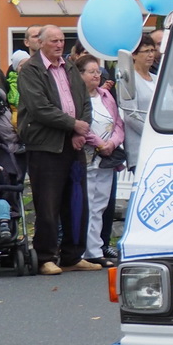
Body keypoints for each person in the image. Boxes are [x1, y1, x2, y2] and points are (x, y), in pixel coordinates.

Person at [18, 25, 97, 274]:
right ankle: (45, 256)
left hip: (72, 144)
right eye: (53, 40)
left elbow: (84, 101)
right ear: (40, 43)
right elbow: (40, 108)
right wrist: (72, 125)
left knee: (76, 201)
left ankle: (73, 255)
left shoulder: (70, 66)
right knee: (48, 203)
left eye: (62, 40)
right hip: (45, 145)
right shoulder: (30, 70)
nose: (59, 44)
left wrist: (78, 131)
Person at [74, 53, 125, 265]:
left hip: (107, 158)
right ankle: (86, 251)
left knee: (101, 204)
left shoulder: (105, 95)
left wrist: (112, 143)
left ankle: (95, 250)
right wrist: (98, 143)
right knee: (87, 202)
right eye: (91, 71)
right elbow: (80, 124)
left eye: (98, 71)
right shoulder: (76, 96)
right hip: (87, 156)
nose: (96, 75)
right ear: (80, 74)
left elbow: (118, 123)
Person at [116, 33, 160, 171]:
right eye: (146, 51)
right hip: (141, 146)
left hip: (161, 145)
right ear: (133, 55)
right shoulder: (127, 80)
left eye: (152, 50)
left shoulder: (157, 78)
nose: (151, 55)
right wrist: (153, 132)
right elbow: (131, 115)